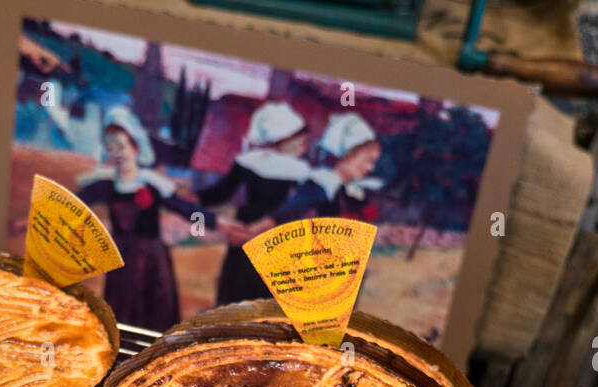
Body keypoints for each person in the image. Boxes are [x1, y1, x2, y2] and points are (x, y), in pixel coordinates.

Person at [78, 106, 218, 331]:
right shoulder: (106, 183)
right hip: (120, 259)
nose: (118, 153)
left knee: (153, 315)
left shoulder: (152, 182)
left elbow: (186, 208)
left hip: (152, 259)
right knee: (120, 314)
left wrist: (217, 223)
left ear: (135, 146)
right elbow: (73, 203)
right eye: (111, 148)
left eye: (122, 146)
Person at [196, 101, 311, 303]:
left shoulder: (251, 161)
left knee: (244, 289)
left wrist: (193, 197)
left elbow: (219, 194)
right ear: (283, 138)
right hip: (273, 231)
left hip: (252, 226)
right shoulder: (300, 170)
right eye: (299, 138)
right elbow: (221, 193)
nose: (304, 144)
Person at [273, 113, 385, 225]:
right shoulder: (321, 185)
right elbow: (280, 218)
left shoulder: (350, 190)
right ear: (349, 156)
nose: (371, 168)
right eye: (368, 160)